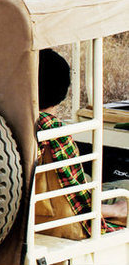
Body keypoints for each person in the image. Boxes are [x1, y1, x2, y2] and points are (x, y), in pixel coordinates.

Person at [36, 48, 126, 236]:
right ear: (63, 90)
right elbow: (77, 203)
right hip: (66, 225)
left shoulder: (3, 125)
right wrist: (116, 210)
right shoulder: (54, 132)